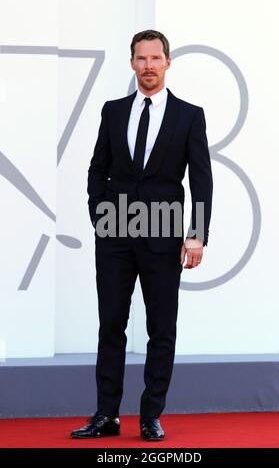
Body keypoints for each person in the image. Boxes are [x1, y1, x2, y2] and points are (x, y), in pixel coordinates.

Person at [71, 29, 213, 441]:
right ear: (132, 63)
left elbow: (201, 179)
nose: (148, 65)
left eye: (155, 58)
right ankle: (107, 415)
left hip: (165, 232)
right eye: (141, 58)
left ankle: (150, 415)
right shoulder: (113, 111)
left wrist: (196, 234)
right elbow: (98, 167)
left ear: (168, 62)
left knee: (160, 327)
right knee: (110, 324)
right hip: (115, 231)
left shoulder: (189, 114)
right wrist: (100, 214)